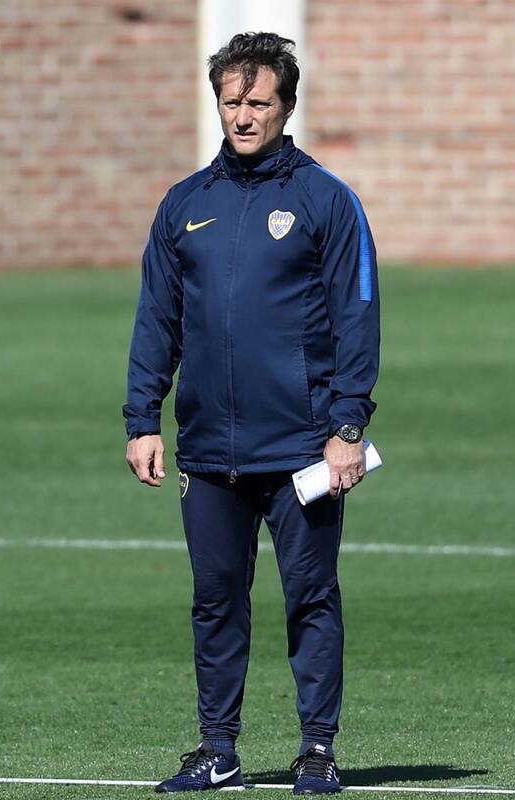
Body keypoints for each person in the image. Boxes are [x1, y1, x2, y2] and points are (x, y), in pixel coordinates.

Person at [123, 32, 380, 793]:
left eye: (258, 101)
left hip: (304, 447)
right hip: (208, 451)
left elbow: (357, 316)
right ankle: (218, 749)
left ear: (287, 106)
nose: (243, 115)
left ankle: (318, 749)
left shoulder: (325, 200)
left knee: (311, 600)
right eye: (232, 101)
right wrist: (144, 418)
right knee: (214, 603)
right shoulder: (185, 205)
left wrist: (347, 428)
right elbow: (156, 321)